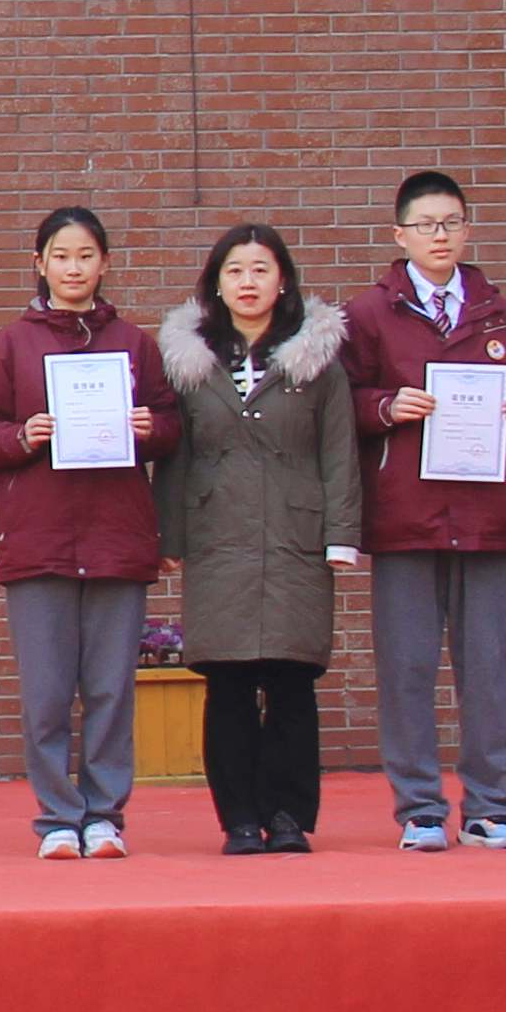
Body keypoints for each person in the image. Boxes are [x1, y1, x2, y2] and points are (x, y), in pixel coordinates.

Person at [0, 207, 180, 860]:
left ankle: (104, 814)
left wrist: (151, 427)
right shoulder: (9, 345)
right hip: (39, 540)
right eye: (61, 255)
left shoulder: (135, 344)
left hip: (116, 537)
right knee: (47, 692)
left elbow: (172, 424)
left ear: (104, 263)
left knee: (111, 688)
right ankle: (58, 815)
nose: (73, 267)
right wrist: (22, 435)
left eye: (85, 255)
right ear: (40, 264)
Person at [343, 172, 506, 852]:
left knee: (485, 668)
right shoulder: (368, 314)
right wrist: (384, 407)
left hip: (483, 513)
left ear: (467, 230)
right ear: (399, 235)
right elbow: (340, 404)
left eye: (451, 223)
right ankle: (420, 809)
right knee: (406, 669)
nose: (440, 235)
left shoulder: (497, 313)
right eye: (426, 225)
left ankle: (490, 807)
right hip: (403, 514)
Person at [155, 226, 360, 856]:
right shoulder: (190, 364)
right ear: (217, 283)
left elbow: (339, 452)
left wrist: (341, 536)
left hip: (297, 537)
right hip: (217, 537)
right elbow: (175, 456)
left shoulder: (317, 362)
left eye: (261, 269)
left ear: (284, 281)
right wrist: (168, 535)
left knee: (293, 681)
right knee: (230, 684)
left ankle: (289, 816)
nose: (248, 283)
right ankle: (240, 818)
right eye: (236, 271)